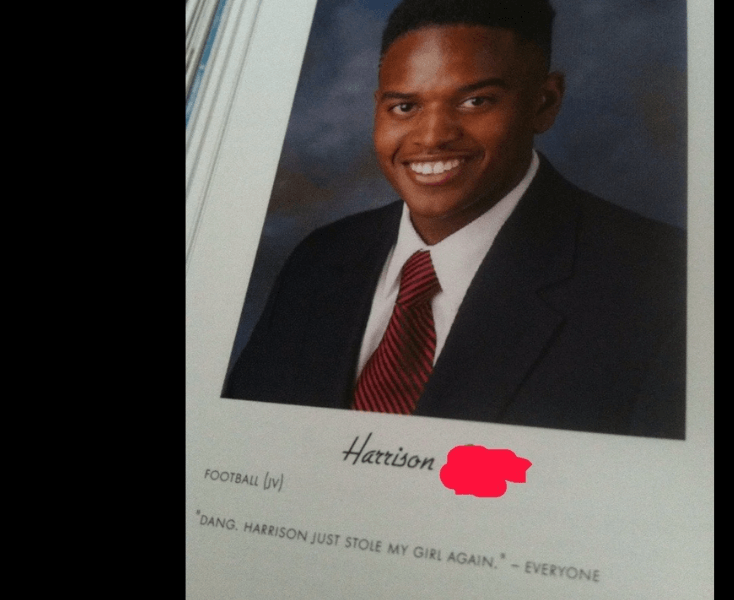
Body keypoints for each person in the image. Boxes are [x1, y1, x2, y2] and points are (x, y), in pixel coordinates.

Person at [223, 0, 686, 439]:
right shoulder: (320, 260)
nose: (432, 137)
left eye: (475, 102)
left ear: (544, 102)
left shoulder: (663, 286)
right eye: (404, 107)